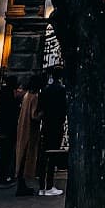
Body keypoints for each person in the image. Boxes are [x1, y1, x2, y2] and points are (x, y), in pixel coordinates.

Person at [37, 67, 67, 197]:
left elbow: (41, 107)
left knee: (44, 155)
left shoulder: (45, 90)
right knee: (53, 155)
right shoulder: (61, 90)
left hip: (46, 125)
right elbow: (64, 109)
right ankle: (49, 186)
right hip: (56, 126)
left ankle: (42, 186)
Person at [14, 73, 43, 197]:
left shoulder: (26, 95)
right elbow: (34, 115)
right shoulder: (35, 97)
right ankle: (22, 186)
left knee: (21, 157)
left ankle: (21, 184)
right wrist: (43, 113)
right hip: (30, 131)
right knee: (26, 158)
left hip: (22, 129)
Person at [0, 76, 20, 186]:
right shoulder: (10, 95)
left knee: (2, 152)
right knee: (6, 153)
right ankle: (4, 177)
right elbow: (13, 112)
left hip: (1, 127)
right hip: (9, 129)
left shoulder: (2, 93)